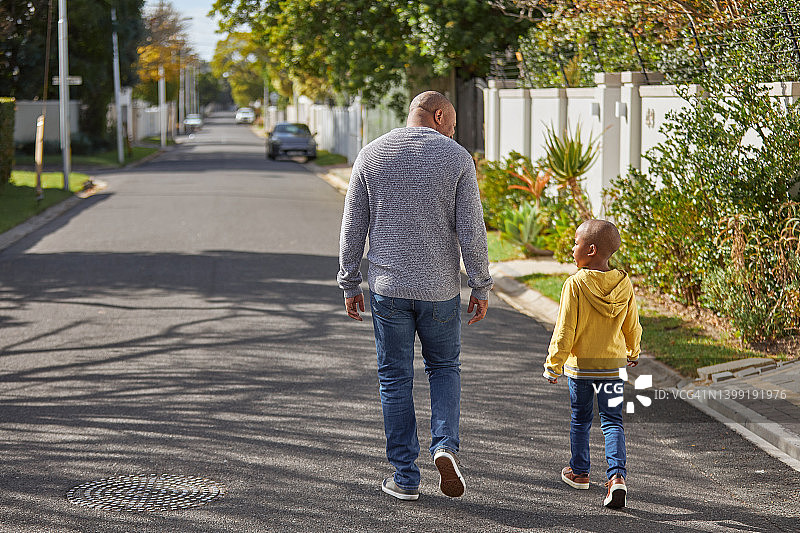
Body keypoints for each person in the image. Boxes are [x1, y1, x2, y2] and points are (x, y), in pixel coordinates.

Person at [337, 91, 493, 501]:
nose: (452, 132)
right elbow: (472, 228)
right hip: (440, 291)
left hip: (389, 289)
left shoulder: (371, 154)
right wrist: (480, 283)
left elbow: (353, 225)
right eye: (453, 124)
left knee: (395, 378)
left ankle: (405, 477)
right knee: (444, 368)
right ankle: (444, 446)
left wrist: (349, 281)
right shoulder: (457, 158)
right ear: (440, 115)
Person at [542, 219, 642, 509]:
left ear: (591, 250)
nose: (572, 248)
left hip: (581, 367)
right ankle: (617, 478)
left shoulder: (575, 284)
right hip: (612, 365)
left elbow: (565, 330)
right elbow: (632, 324)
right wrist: (633, 351)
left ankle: (580, 472)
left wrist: (554, 364)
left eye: (576, 243)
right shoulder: (623, 283)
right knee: (612, 421)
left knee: (581, 420)